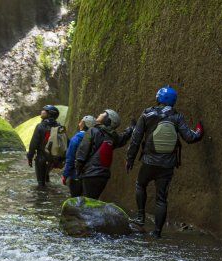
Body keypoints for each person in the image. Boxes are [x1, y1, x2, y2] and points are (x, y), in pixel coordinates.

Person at [126, 85, 204, 238]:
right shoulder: (177, 117)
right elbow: (190, 137)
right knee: (161, 198)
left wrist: (129, 159)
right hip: (167, 165)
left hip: (149, 161)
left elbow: (135, 139)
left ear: (158, 98)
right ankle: (157, 232)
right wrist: (200, 130)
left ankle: (140, 217)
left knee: (140, 184)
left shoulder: (147, 114)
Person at [75, 109, 134, 199]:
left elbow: (82, 152)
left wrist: (78, 171)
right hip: (103, 176)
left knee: (87, 202)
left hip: (90, 174)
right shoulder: (113, 137)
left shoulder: (93, 131)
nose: (100, 114)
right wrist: (131, 128)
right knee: (93, 200)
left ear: (108, 120)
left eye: (103, 114)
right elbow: (123, 137)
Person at [26, 105, 62, 188]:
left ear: (49, 114)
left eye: (45, 111)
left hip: (41, 158)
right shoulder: (59, 126)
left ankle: (41, 199)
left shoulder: (40, 126)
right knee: (47, 178)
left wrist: (30, 157)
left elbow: (33, 144)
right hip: (53, 158)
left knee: (41, 184)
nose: (42, 112)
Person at [62, 115, 96, 197]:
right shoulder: (95, 138)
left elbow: (70, 158)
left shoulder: (77, 138)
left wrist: (65, 175)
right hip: (91, 174)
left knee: (76, 199)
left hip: (76, 174)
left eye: (81, 121)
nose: (79, 122)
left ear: (84, 124)